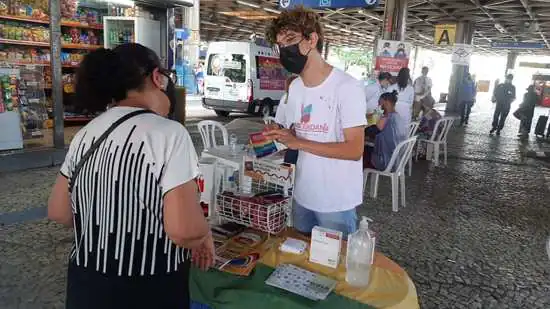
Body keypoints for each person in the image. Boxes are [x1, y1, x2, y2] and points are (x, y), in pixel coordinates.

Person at [47, 43, 213, 309]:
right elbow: (184, 231)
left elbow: (59, 211)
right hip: (148, 289)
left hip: (86, 287)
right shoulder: (169, 134)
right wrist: (204, 234)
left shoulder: (87, 133)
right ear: (157, 77)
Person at [264, 7, 366, 237]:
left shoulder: (347, 87)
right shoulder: (296, 88)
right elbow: (295, 132)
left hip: (335, 202)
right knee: (301, 263)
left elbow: (354, 149)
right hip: (302, 195)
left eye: (290, 39)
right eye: (279, 45)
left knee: (333, 269)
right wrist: (279, 133)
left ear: (312, 39)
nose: (284, 50)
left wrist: (298, 142)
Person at [363, 91, 405, 170]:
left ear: (386, 102)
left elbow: (370, 132)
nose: (379, 105)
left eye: (380, 102)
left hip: (385, 161)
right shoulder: (398, 116)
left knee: (360, 151)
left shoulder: (386, 118)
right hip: (396, 159)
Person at [274, 74, 299, 164]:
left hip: (292, 143)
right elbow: (278, 124)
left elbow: (279, 123)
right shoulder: (286, 98)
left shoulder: (285, 97)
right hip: (298, 143)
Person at [390, 67, 415, 138]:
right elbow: (411, 103)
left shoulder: (391, 87)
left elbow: (386, 102)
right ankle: (404, 148)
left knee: (393, 133)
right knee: (404, 135)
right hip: (406, 114)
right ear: (408, 77)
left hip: (394, 113)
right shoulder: (411, 89)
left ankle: (394, 148)